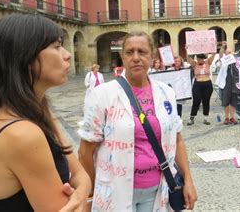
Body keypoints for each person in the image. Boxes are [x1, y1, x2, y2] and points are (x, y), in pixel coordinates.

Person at [0, 14, 91, 211]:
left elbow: (79, 173)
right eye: (57, 46)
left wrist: (81, 193)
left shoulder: (34, 109)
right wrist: (80, 199)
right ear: (26, 57)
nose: (67, 54)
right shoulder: (22, 133)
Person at [78, 31, 197, 211]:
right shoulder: (102, 94)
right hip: (114, 191)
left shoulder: (166, 93)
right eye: (129, 52)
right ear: (122, 57)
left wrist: (188, 180)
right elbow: (85, 152)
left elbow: (177, 139)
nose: (136, 58)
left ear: (152, 56)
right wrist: (93, 192)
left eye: (142, 52)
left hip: (157, 190)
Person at [186, 52, 215, 126]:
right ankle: (192, 118)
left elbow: (213, 55)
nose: (199, 61)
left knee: (206, 101)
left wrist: (213, 50)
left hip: (207, 83)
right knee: (196, 100)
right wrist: (187, 50)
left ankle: (206, 118)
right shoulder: (195, 64)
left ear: (203, 59)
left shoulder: (208, 62)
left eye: (200, 59)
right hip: (198, 83)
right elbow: (188, 59)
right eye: (198, 59)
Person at [216, 41, 238, 125]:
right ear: (225, 53)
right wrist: (222, 47)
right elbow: (221, 55)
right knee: (225, 102)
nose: (229, 54)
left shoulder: (235, 61)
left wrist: (234, 46)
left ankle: (232, 117)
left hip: (234, 83)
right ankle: (226, 118)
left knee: (233, 101)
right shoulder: (223, 61)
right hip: (225, 83)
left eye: (230, 52)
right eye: (227, 52)